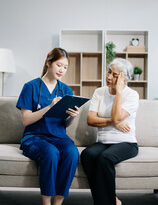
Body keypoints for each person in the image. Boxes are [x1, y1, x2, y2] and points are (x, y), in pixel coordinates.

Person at [16, 47, 79, 205]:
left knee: (72, 152)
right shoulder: (30, 87)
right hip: (35, 137)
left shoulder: (66, 90)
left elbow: (65, 123)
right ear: (48, 63)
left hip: (58, 136)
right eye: (59, 65)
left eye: (65, 67)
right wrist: (49, 107)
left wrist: (72, 116)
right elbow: (26, 120)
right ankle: (46, 203)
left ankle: (58, 203)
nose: (62, 70)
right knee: (51, 153)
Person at [81, 58, 139, 205]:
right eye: (109, 71)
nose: (108, 77)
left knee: (105, 158)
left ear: (124, 79)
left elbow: (115, 116)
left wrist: (118, 94)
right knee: (87, 155)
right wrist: (115, 122)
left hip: (127, 143)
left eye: (114, 75)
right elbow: (91, 120)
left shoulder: (132, 95)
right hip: (103, 141)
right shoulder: (99, 92)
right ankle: (112, 200)